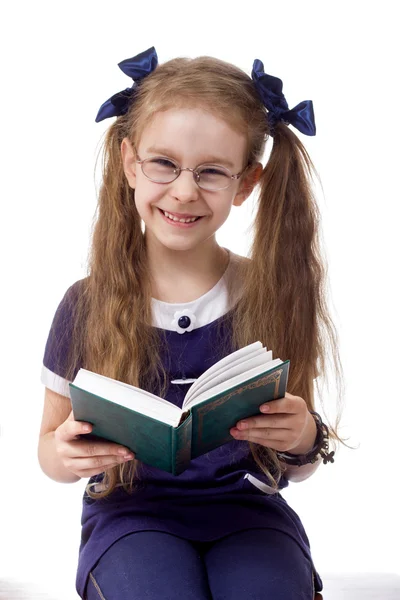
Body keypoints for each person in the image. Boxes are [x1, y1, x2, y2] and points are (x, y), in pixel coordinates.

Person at [38, 46, 343, 600]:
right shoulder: (86, 303)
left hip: (249, 512)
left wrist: (302, 437)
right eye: (164, 163)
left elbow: (297, 455)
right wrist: (63, 455)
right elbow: (49, 451)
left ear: (245, 184)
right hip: (132, 515)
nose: (183, 190)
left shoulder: (271, 293)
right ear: (130, 163)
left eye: (211, 173)